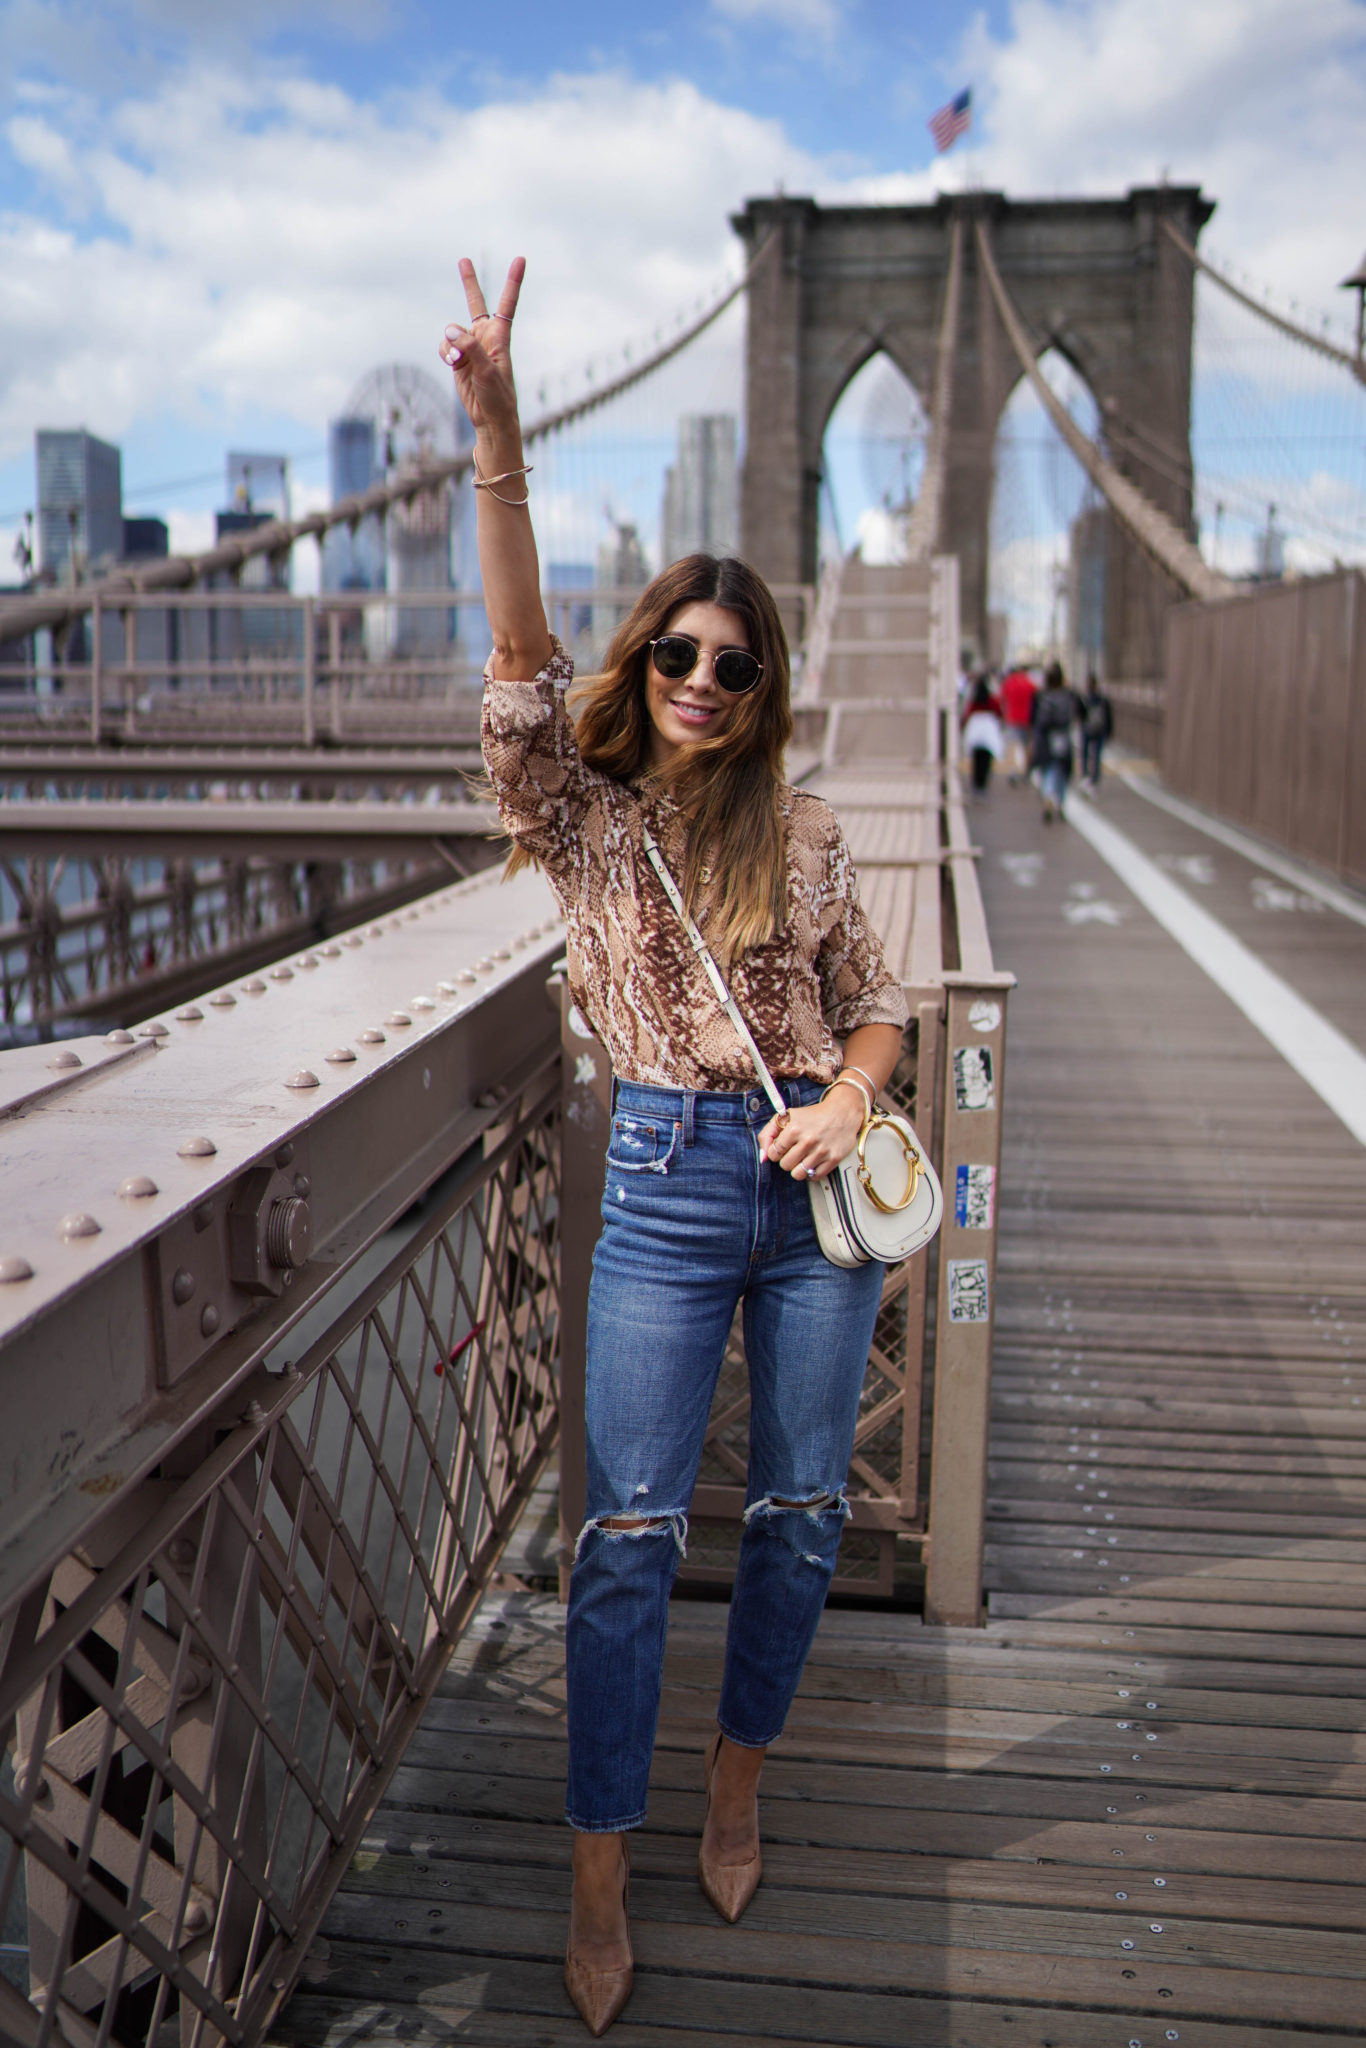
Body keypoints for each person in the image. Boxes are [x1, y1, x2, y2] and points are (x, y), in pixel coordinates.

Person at [441, 257, 908, 2037]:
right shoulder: (584, 809)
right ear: (647, 662)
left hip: (811, 1194)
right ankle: (596, 1860)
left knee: (797, 1510)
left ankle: (736, 1771)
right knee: (628, 1532)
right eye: (679, 654)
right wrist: (497, 433)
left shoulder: (802, 827)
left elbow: (873, 998)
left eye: (736, 660)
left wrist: (858, 1093)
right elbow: (512, 662)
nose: (704, 678)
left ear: (764, 680)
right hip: (655, 1178)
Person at [1032, 661, 1079, 822]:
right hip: (1063, 737)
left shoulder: (1041, 696)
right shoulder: (1069, 695)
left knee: (1048, 770)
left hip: (1045, 738)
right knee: (1063, 771)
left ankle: (1048, 798)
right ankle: (1060, 801)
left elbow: (1034, 719)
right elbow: (1081, 712)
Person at [960, 674, 1003, 797]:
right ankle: (982, 785)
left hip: (975, 731)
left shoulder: (973, 701)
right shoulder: (992, 700)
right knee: (986, 759)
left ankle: (976, 783)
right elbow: (999, 713)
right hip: (988, 731)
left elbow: (966, 715)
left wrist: (963, 728)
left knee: (976, 759)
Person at [998, 661, 1039, 784]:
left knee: (1012, 746)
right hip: (1027, 720)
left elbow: (1001, 700)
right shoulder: (1031, 684)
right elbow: (1037, 701)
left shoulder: (1009, 683)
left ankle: (1012, 772)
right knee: (1026, 746)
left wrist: (1003, 715)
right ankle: (1026, 772)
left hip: (1012, 718)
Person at [1080, 672, 1113, 787]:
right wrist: (1109, 731)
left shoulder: (1085, 698)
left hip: (1089, 729)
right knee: (1095, 754)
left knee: (1087, 754)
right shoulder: (1101, 699)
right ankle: (1093, 777)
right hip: (1097, 729)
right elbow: (1108, 717)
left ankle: (1087, 775)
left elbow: (1079, 715)